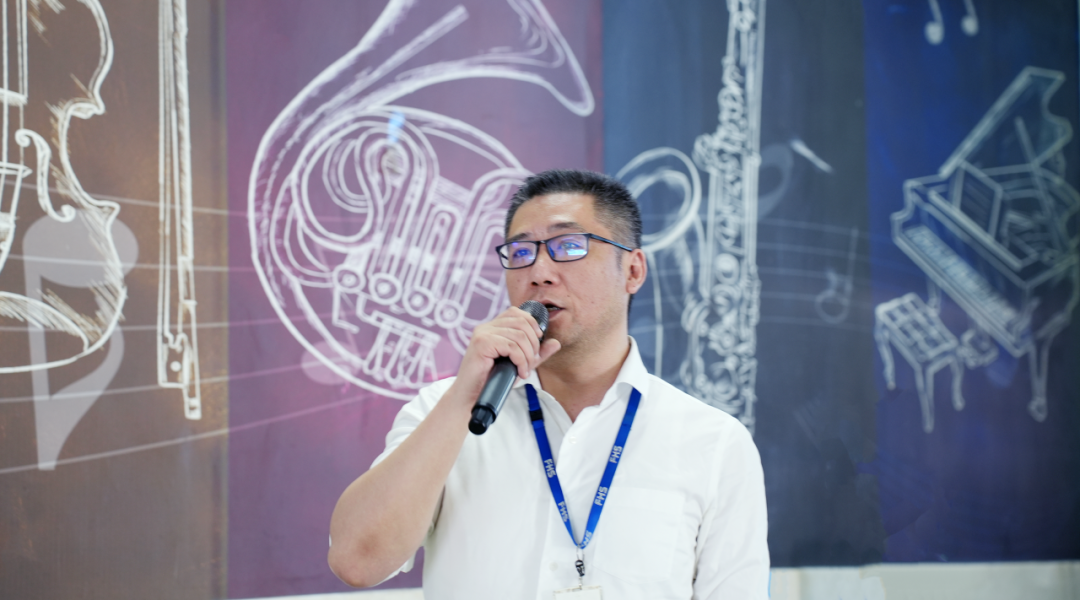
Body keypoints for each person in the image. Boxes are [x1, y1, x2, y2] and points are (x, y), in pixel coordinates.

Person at [328, 169, 769, 599]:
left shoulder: (714, 442)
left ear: (633, 271)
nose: (539, 271)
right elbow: (356, 562)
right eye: (521, 252)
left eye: (569, 246)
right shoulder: (442, 409)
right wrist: (464, 397)